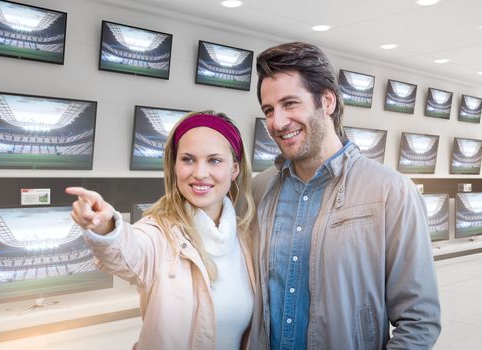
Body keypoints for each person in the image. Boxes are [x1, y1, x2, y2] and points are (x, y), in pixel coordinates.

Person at [249, 42, 441, 349]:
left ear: (326, 101)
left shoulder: (390, 192)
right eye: (269, 110)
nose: (277, 122)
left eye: (290, 104)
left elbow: (419, 320)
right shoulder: (260, 189)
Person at [66, 112, 256, 349]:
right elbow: (127, 250)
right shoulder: (157, 233)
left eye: (214, 160)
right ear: (174, 166)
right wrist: (105, 226)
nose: (199, 173)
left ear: (235, 168)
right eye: (188, 159)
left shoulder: (246, 239)